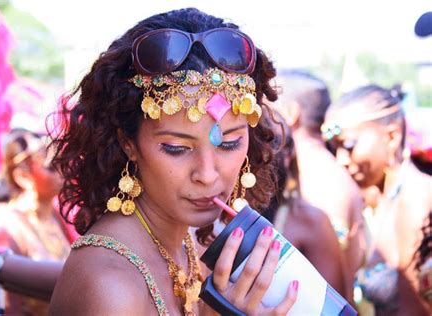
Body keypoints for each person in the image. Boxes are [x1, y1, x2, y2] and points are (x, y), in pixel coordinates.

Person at [49, 8, 298, 315]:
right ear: (129, 144)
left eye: (230, 143)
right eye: (177, 148)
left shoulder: (189, 245)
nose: (207, 175)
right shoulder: (111, 287)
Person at [323, 84, 432, 315]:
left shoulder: (415, 201)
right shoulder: (382, 200)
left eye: (349, 146)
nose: (341, 159)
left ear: (392, 137)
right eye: (334, 149)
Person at [270, 69, 366, 301]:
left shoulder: (315, 184)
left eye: (267, 105)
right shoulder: (333, 174)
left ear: (291, 113)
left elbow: (335, 300)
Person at [0, 129, 71, 314]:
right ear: (23, 177)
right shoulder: (7, 227)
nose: (62, 171)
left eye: (62, 162)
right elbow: (4, 304)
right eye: (51, 166)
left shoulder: (57, 216)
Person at [261, 117, 345, 295]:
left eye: (282, 144)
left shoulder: (310, 220)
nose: (269, 153)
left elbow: (336, 306)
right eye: (263, 140)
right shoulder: (216, 217)